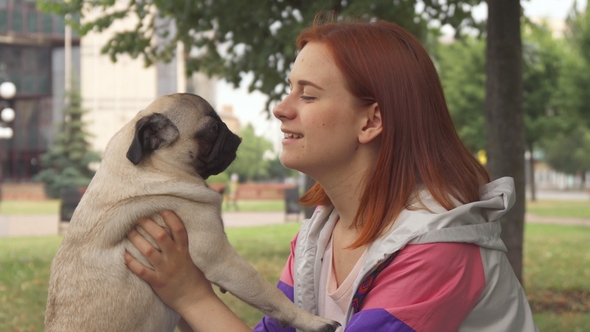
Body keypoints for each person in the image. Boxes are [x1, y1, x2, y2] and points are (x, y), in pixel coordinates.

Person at [124, 17, 539, 332]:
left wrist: (191, 295)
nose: (281, 108)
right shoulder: (318, 239)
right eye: (290, 89)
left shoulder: (440, 248)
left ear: (371, 121)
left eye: (307, 94)